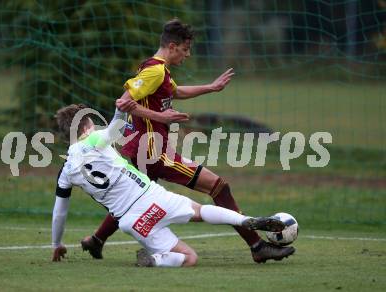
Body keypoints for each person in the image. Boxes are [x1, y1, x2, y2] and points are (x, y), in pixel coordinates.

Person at [81, 18, 295, 263]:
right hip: (154, 151)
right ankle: (258, 246)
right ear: (172, 46)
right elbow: (123, 102)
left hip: (143, 149)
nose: (188, 54)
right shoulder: (154, 70)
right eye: (185, 49)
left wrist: (211, 87)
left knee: (134, 197)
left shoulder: (157, 69)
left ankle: (96, 240)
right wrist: (160, 116)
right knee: (218, 187)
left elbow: (175, 92)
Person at [51, 103, 288, 267]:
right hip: (151, 196)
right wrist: (119, 108)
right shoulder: (93, 139)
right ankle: (245, 220)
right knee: (200, 211)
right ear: (87, 125)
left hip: (130, 221)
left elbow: (60, 211)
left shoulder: (66, 171)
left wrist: (57, 244)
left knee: (189, 258)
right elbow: (115, 128)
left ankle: (157, 260)